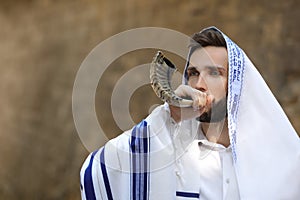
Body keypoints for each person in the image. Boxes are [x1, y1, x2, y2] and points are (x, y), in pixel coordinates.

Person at [80, 27, 300, 200]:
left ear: (235, 85)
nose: (199, 84)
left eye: (214, 73)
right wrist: (170, 116)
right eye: (193, 73)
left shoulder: (279, 159)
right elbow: (99, 169)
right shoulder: (170, 155)